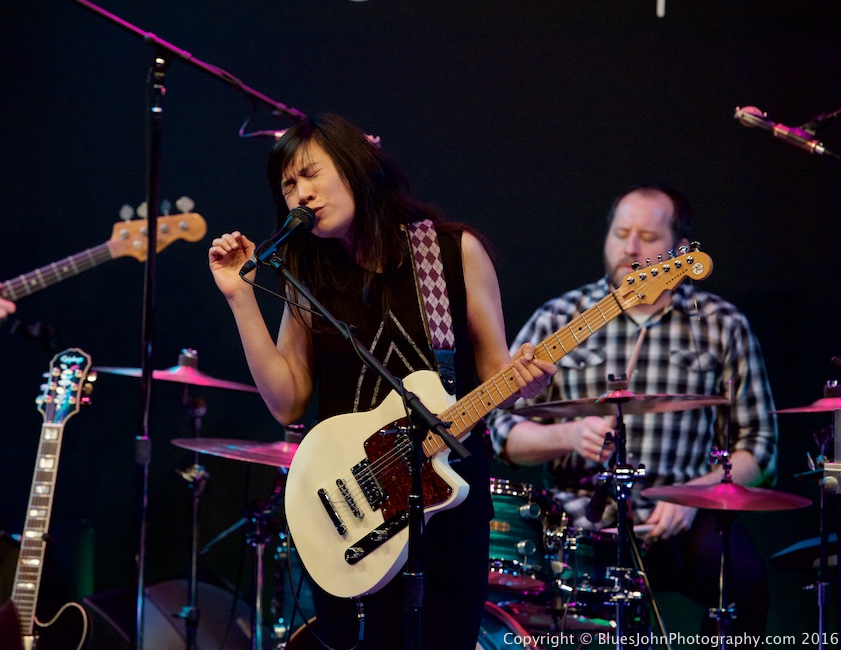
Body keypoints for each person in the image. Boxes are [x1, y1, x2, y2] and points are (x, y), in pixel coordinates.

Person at [208, 113, 555, 650]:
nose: (301, 194)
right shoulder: (306, 268)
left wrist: (526, 382)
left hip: (448, 510)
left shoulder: (451, 251)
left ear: (355, 166)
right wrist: (241, 297)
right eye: (288, 186)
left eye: (310, 175)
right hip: (351, 515)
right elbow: (287, 402)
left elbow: (496, 377)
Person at [487, 184, 778, 644]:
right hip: (580, 522)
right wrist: (568, 435)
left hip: (682, 519)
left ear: (680, 251)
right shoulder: (560, 317)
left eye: (647, 235)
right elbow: (499, 427)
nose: (630, 248)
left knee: (743, 580)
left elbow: (759, 450)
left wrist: (690, 495)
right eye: (620, 233)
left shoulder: (723, 325)